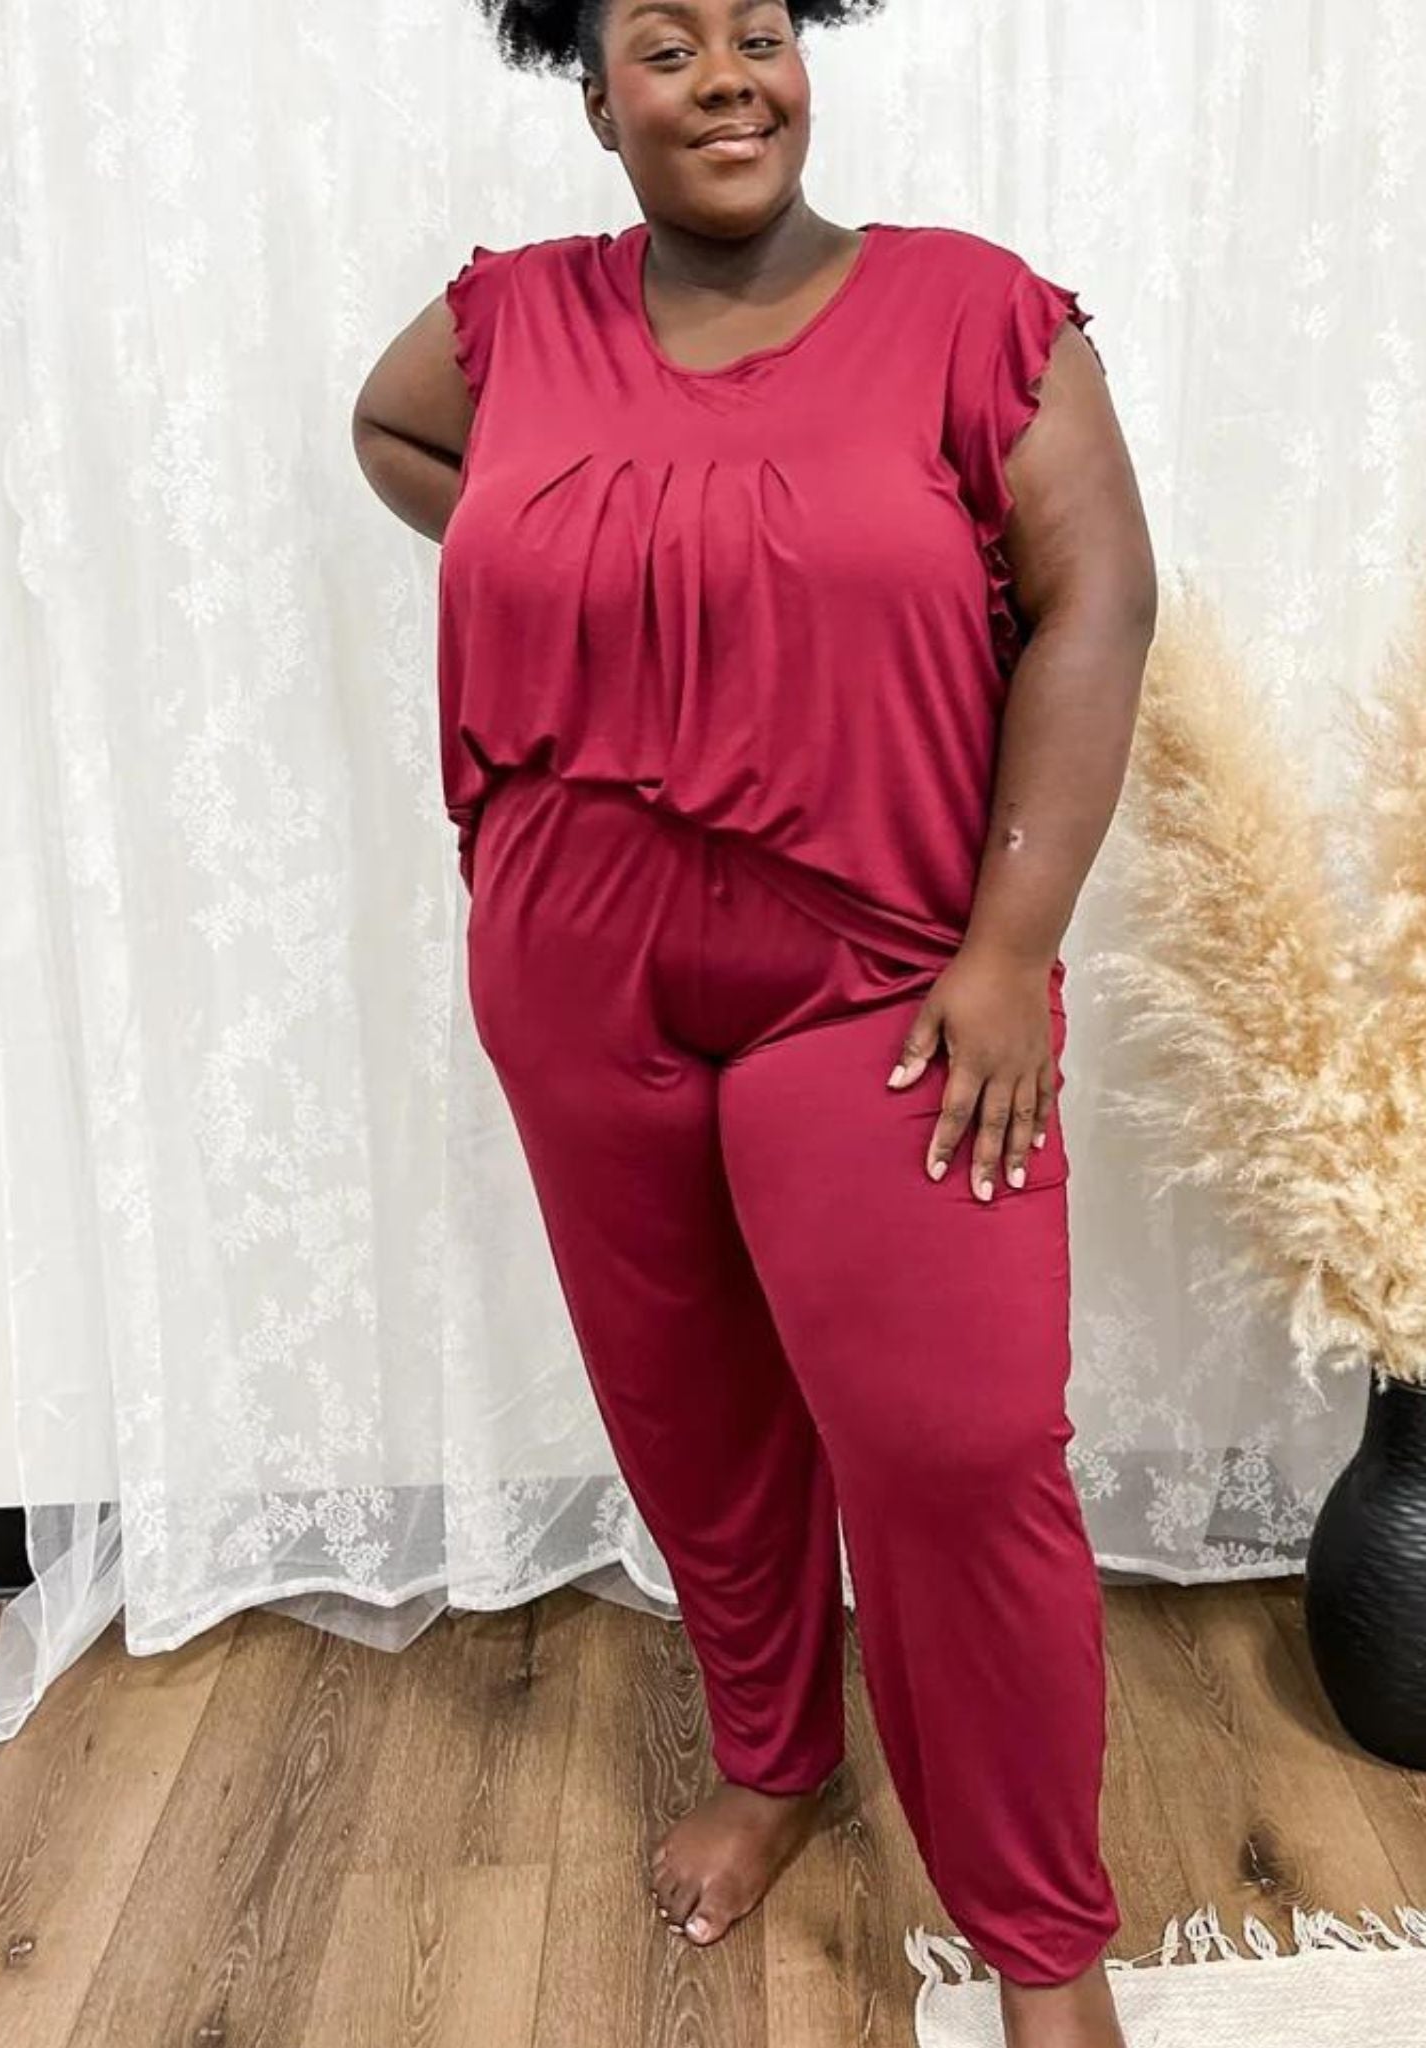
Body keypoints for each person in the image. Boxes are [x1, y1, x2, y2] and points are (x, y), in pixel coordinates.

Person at [351, 2, 1156, 2040]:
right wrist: (604, 578)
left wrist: (1010, 949)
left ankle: (1043, 1945)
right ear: (593, 95)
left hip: (886, 963)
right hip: (576, 955)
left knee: (959, 1450)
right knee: (693, 1414)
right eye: (664, 43)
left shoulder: (973, 314)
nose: (724, 75)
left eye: (758, 31)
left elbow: (1098, 603)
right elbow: (394, 436)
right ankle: (779, 1757)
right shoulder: (513, 321)